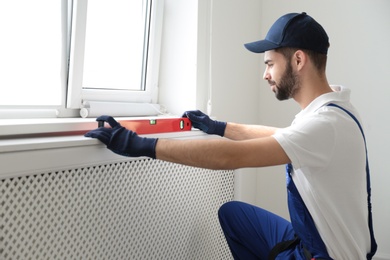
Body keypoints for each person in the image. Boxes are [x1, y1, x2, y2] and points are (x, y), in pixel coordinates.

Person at [85, 12, 377, 260]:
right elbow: (281, 136)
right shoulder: (333, 110)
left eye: (270, 64)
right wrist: (218, 126)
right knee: (234, 215)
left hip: (325, 255)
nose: (266, 74)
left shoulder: (324, 125)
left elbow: (229, 157)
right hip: (317, 241)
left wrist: (140, 144)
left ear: (298, 60)